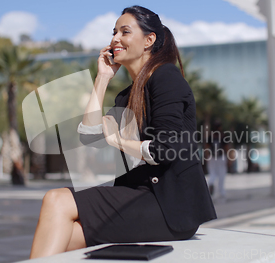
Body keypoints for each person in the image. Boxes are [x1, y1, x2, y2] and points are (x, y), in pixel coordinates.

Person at [29, 6, 217, 258]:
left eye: (124, 31)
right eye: (114, 32)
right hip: (137, 196)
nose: (115, 38)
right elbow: (90, 135)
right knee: (63, 234)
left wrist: (118, 140)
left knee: (57, 199)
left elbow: (166, 149)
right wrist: (102, 78)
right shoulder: (127, 95)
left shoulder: (165, 76)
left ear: (149, 40)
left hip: (169, 206)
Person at [205, 126, 228, 198]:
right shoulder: (223, 136)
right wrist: (229, 158)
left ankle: (211, 182)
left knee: (212, 173)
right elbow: (227, 148)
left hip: (212, 157)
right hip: (221, 157)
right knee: (222, 174)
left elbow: (206, 147)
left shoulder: (210, 137)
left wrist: (207, 156)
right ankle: (221, 192)